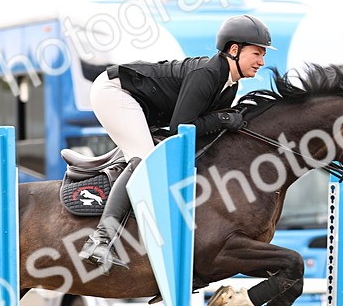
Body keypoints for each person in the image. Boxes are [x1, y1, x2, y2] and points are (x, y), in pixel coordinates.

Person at [78, 14, 273, 271]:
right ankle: (99, 240)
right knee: (145, 160)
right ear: (234, 50)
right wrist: (225, 118)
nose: (261, 61)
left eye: (263, 55)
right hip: (114, 92)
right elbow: (182, 128)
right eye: (257, 54)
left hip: (141, 105)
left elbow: (201, 136)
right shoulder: (208, 73)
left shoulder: (229, 86)